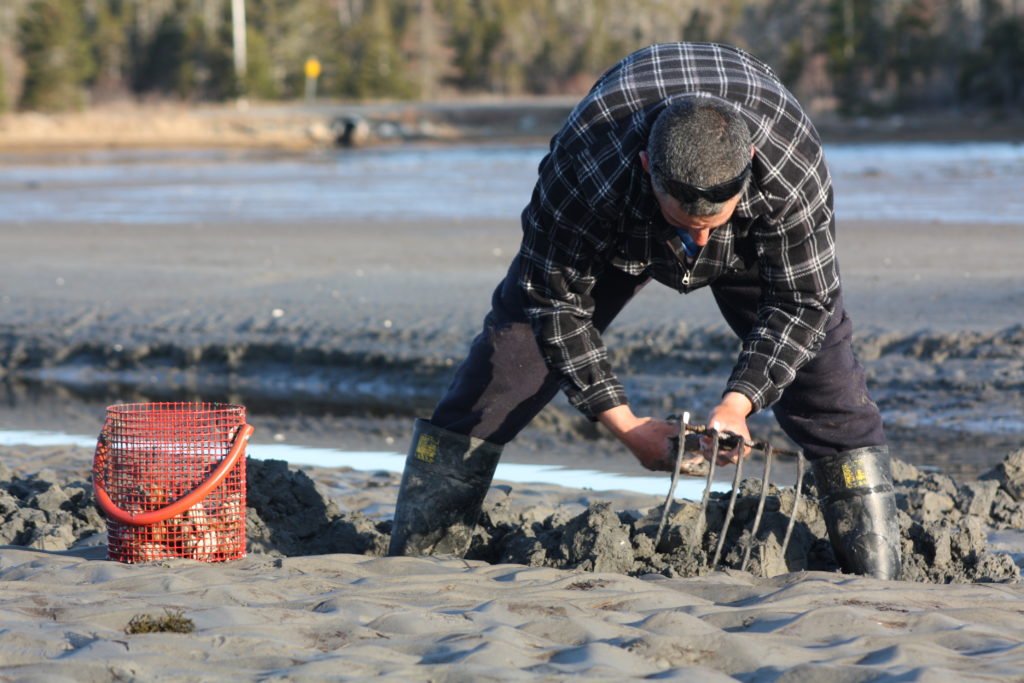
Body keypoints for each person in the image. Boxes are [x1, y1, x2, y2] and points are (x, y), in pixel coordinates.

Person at [388, 42, 901, 579]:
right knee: (504, 368)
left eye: (713, 220)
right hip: (617, 231)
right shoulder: (587, 166)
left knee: (830, 388)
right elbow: (554, 301)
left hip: (752, 240)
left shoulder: (790, 167)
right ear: (647, 166)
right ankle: (420, 561)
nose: (699, 237)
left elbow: (803, 303)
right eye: (684, 219)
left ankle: (876, 576)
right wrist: (626, 426)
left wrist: (738, 403)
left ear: (749, 164)